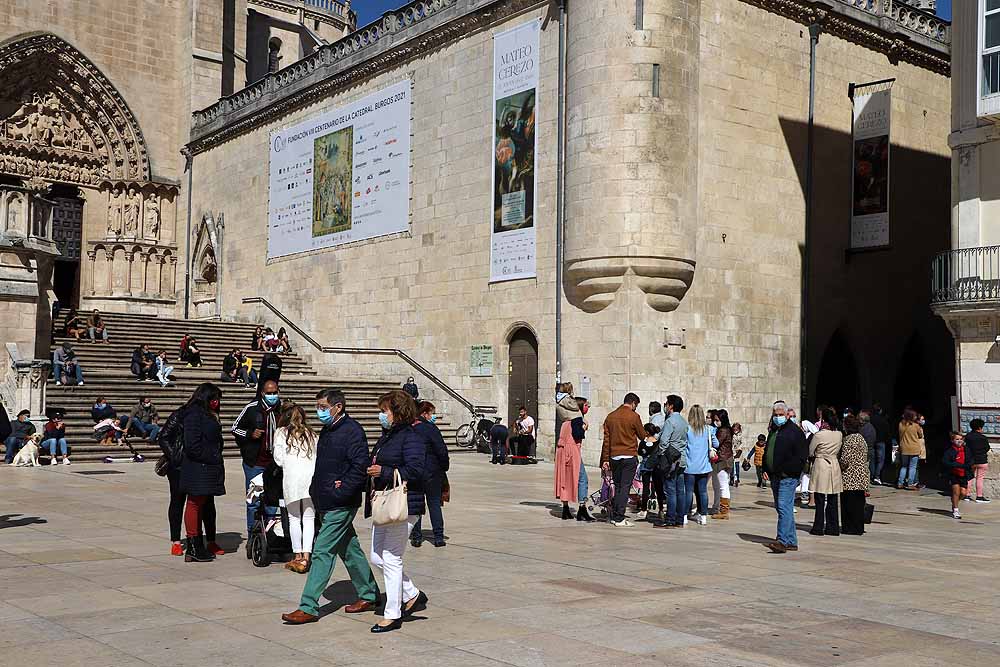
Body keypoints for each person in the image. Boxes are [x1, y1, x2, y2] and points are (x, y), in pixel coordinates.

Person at [281, 389, 381, 625]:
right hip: (326, 499)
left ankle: (308, 606)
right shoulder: (328, 430)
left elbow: (360, 466)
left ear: (338, 407)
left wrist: (342, 489)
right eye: (318, 406)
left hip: (341, 502)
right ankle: (369, 594)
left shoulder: (352, 431)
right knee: (349, 549)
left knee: (322, 551)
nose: (320, 411)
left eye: (323, 407)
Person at [366, 390, 427, 633]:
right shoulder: (388, 436)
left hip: (403, 504)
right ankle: (411, 593)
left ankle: (393, 614)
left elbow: (415, 469)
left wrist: (385, 471)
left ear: (397, 412)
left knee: (391, 557)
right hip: (384, 503)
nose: (381, 416)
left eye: (384, 411)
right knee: (376, 556)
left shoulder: (412, 437)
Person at [157, 391, 221, 557]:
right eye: (215, 398)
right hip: (179, 467)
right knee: (178, 501)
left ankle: (210, 540)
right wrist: (176, 457)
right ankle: (176, 541)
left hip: (200, 466)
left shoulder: (210, 415)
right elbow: (163, 437)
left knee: (207, 503)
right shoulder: (181, 414)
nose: (217, 402)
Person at [179, 383, 226, 562]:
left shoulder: (207, 413)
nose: (217, 402)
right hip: (199, 467)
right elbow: (192, 444)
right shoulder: (194, 414)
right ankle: (193, 545)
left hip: (207, 466)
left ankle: (197, 544)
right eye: (214, 398)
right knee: (194, 503)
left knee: (200, 504)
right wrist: (212, 455)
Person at [232, 379, 283, 538]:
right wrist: (250, 434)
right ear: (262, 393)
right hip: (255, 462)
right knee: (253, 500)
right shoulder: (252, 408)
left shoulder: (282, 410)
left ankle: (269, 534)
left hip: (274, 463)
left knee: (272, 501)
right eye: (269, 393)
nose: (272, 395)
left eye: (275, 392)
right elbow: (235, 428)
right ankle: (253, 534)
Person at [273, 403, 318, 573]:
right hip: (310, 479)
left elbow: (278, 459)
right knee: (308, 519)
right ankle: (307, 556)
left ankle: (297, 555)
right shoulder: (312, 434)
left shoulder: (281, 433)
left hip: (292, 480)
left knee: (293, 518)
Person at [763, 401, 808, 554]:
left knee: (783, 506)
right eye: (775, 415)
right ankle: (791, 541)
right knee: (783, 507)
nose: (778, 417)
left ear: (787, 415)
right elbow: (768, 449)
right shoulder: (775, 430)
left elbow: (801, 456)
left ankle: (781, 541)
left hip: (787, 477)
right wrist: (765, 467)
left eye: (781, 415)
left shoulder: (794, 432)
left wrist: (787, 471)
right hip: (775, 476)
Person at [600, 392, 645, 527]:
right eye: (636, 405)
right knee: (625, 488)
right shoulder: (634, 416)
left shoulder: (610, 417)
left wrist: (605, 459)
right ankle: (619, 517)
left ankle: (614, 515)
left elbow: (606, 440)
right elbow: (642, 435)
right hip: (629, 456)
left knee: (618, 486)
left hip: (614, 456)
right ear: (633, 403)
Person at [411, 400, 450, 546]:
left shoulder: (411, 428)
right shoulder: (431, 429)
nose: (432, 416)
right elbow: (441, 450)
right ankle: (438, 537)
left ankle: (416, 537)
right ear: (424, 413)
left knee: (416, 505)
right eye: (431, 413)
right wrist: (444, 467)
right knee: (434, 504)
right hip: (433, 472)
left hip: (416, 472)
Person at [809, 408, 843, 536]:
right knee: (833, 498)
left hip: (821, 464)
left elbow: (811, 451)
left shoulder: (819, 435)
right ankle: (832, 527)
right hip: (834, 464)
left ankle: (818, 527)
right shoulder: (839, 434)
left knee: (820, 498)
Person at [658, 394, 689, 528]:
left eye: (666, 403)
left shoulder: (670, 421)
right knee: (680, 491)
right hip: (681, 459)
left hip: (671, 461)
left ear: (671, 406)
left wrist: (661, 454)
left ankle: (670, 518)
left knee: (670, 490)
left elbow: (664, 441)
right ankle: (679, 519)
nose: (665, 406)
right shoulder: (683, 421)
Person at [555, 396, 588, 520]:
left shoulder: (566, 421)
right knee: (582, 478)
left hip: (562, 452)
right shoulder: (577, 420)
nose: (588, 407)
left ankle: (565, 509)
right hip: (571, 451)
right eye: (585, 405)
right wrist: (584, 428)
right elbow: (578, 435)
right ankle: (582, 509)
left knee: (565, 479)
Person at [684, 405, 717, 526]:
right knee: (703, 491)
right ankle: (703, 516)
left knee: (688, 491)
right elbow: (716, 444)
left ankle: (684, 516)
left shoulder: (687, 429)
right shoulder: (708, 429)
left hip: (689, 466)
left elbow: (683, 445)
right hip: (703, 466)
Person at [839, 414, 870, 535]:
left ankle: (849, 528)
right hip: (861, 476)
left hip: (850, 477)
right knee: (858, 504)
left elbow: (845, 460)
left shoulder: (849, 439)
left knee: (849, 504)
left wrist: (839, 466)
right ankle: (858, 527)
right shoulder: (861, 438)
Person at [639, 401, 666, 522]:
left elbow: (640, 451)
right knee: (658, 487)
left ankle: (644, 509)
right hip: (656, 466)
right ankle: (661, 509)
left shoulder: (643, 442)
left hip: (645, 466)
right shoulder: (658, 443)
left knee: (645, 488)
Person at [943, 432, 974, 520]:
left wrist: (969, 465)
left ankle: (954, 502)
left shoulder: (966, 449)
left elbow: (971, 459)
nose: (959, 441)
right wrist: (954, 464)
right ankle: (956, 510)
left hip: (964, 474)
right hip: (954, 474)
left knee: (963, 493)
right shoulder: (949, 451)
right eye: (957, 439)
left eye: (961, 439)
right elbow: (945, 462)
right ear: (952, 441)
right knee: (956, 492)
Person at [710, 409, 734, 519]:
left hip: (723, 460)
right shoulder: (726, 429)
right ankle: (720, 508)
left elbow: (716, 443)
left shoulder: (723, 430)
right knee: (720, 485)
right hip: (724, 459)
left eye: (717, 420)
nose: (715, 422)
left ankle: (724, 511)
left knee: (723, 486)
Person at [965, 418, 992, 503]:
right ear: (980, 427)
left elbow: (966, 447)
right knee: (979, 478)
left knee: (969, 477)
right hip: (982, 460)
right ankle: (979, 496)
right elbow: (987, 448)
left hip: (971, 460)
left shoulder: (968, 436)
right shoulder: (983, 437)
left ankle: (967, 495)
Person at [896, 408, 923, 490]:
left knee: (904, 466)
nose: (915, 417)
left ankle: (900, 483)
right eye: (914, 415)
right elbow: (920, 435)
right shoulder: (915, 426)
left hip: (904, 447)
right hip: (914, 448)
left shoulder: (901, 424)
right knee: (912, 467)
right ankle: (910, 484)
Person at [869, 404, 891, 484]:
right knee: (880, 460)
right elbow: (887, 432)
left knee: (872, 460)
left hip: (872, 441)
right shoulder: (883, 420)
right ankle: (877, 476)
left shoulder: (870, 420)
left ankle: (872, 476)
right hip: (881, 441)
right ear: (880, 410)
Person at [731, 422, 744, 487]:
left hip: (738, 452)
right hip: (732, 452)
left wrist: (739, 449)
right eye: (734, 429)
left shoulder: (740, 436)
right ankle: (732, 478)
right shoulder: (731, 435)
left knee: (737, 465)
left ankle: (737, 478)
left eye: (737, 429)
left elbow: (742, 443)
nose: (735, 431)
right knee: (732, 467)